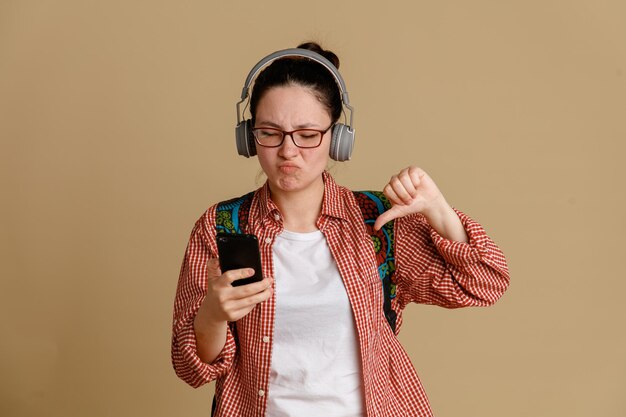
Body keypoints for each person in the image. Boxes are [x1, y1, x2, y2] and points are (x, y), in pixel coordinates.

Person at [171, 42, 510, 417]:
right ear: (248, 137)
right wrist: (213, 315)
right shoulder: (221, 226)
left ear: (338, 137)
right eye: (270, 132)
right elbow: (192, 368)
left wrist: (438, 209)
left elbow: (485, 283)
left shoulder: (377, 221)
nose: (288, 150)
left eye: (307, 133)